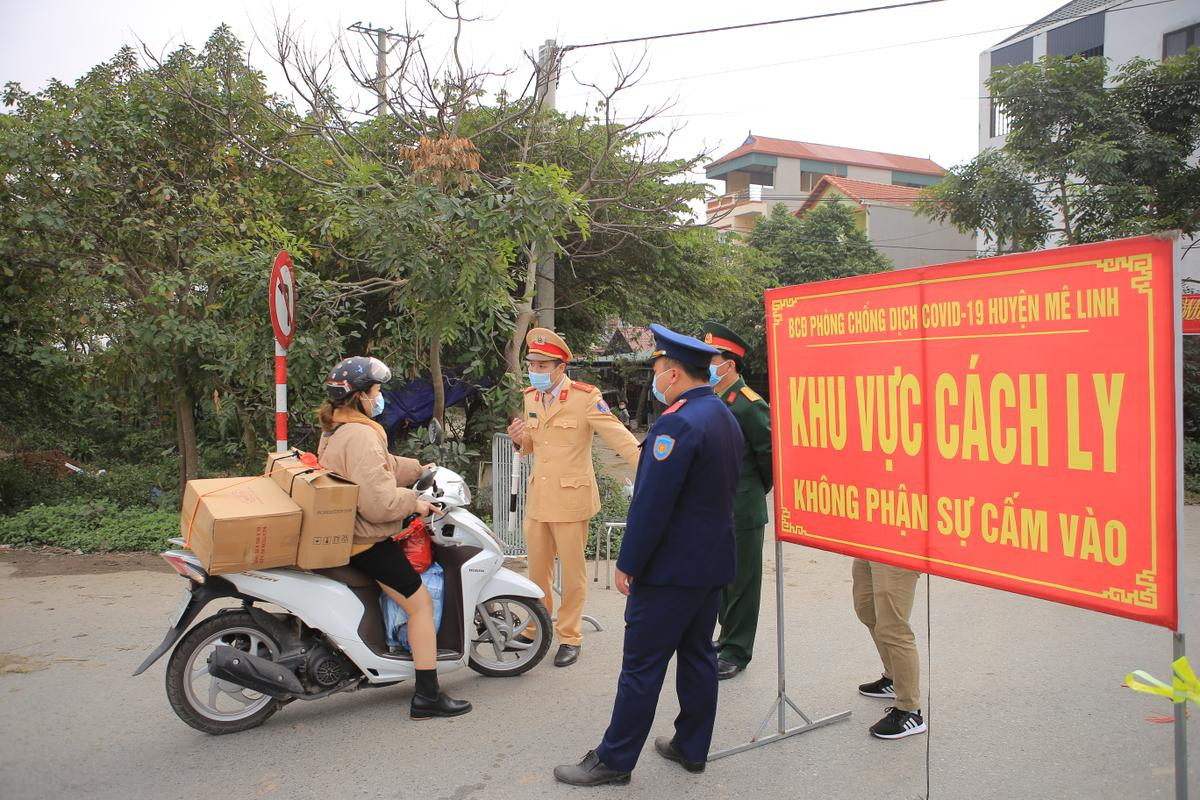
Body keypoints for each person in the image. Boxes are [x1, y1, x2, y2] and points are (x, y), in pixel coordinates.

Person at [553, 324, 743, 787]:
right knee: (698, 655)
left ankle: (614, 760)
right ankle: (691, 746)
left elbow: (653, 504)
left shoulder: (676, 422)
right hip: (711, 563)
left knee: (641, 666)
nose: (656, 379)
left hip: (669, 570)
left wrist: (629, 562)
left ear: (674, 374)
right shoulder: (723, 414)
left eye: (658, 370)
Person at [316, 355, 471, 720]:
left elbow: (381, 466)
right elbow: (380, 503)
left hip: (345, 535)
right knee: (420, 605)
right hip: (365, 542)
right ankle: (427, 695)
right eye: (377, 390)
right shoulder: (361, 435)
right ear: (361, 396)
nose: (380, 396)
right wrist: (415, 502)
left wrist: (420, 468)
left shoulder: (336, 429)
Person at [506, 328, 640, 667]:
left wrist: (653, 467)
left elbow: (619, 437)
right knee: (537, 572)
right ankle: (537, 628)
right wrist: (518, 440)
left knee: (573, 574)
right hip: (539, 499)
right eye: (531, 364)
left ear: (560, 367)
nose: (534, 370)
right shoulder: (531, 398)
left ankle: (569, 635)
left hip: (571, 499)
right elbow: (532, 446)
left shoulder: (584, 397)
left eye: (541, 365)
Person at [700, 322, 772, 681]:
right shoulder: (712, 399)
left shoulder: (749, 405)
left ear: (730, 364)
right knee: (723, 578)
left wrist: (755, 491)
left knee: (743, 580)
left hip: (743, 504)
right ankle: (726, 636)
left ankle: (737, 650)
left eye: (712, 358)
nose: (706, 364)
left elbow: (768, 455)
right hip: (716, 504)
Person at [853, 559, 926, 739]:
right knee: (866, 610)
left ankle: (910, 710)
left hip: (899, 545)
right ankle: (893, 680)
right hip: (870, 541)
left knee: (893, 628)